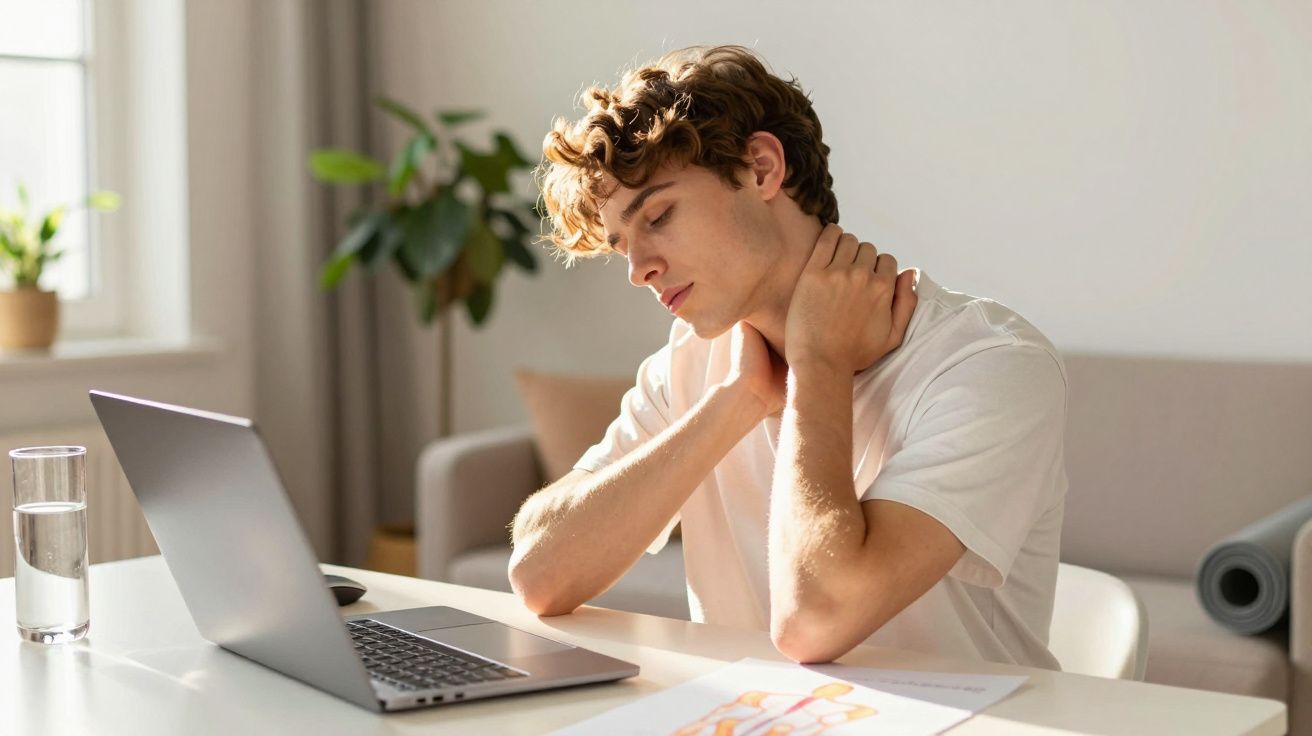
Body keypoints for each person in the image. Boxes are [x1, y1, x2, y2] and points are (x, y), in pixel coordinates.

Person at [509, 45, 1069, 669]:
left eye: (659, 215)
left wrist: (818, 365)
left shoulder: (987, 365)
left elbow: (816, 620)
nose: (639, 271)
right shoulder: (694, 361)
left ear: (761, 167)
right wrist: (740, 399)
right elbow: (538, 574)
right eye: (622, 247)